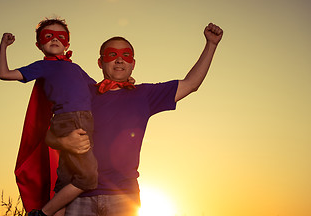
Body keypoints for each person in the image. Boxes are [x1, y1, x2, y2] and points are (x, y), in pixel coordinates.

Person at [46, 23, 224, 216]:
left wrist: (211, 45)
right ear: (100, 62)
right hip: (78, 197)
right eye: (112, 55)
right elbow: (49, 135)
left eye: (126, 56)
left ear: (133, 64)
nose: (119, 60)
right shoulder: (82, 93)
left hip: (124, 198)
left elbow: (191, 84)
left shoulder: (145, 94)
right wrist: (63, 141)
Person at [0, 18, 99, 216]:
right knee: (88, 177)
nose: (55, 39)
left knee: (65, 181)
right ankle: (41, 214)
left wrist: (122, 83)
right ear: (39, 44)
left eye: (61, 36)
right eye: (48, 35)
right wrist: (3, 46)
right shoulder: (42, 66)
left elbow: (98, 90)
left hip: (82, 119)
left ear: (67, 44)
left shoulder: (74, 68)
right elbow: (4, 73)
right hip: (69, 120)